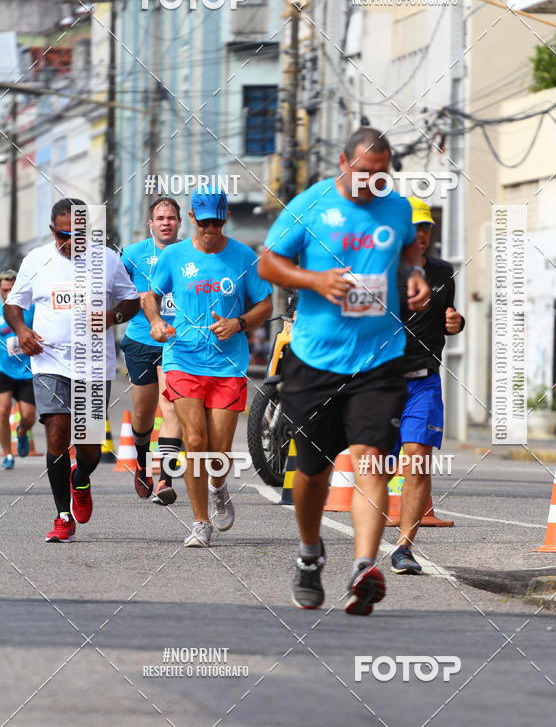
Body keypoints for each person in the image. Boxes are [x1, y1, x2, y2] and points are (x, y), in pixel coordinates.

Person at [258, 126, 430, 615]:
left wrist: (415, 274)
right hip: (315, 358)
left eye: (382, 173)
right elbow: (267, 263)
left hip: (380, 357)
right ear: (342, 162)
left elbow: (408, 249)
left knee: (371, 459)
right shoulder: (311, 205)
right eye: (364, 171)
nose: (373, 181)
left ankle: (363, 568)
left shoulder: (397, 207)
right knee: (313, 472)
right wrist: (314, 280)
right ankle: (309, 554)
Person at [144, 186, 273, 548]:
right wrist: (156, 322)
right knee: (195, 441)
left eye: (216, 222)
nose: (210, 229)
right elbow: (150, 296)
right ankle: (200, 522)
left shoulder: (243, 256)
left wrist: (239, 323)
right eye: (204, 222)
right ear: (192, 219)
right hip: (183, 358)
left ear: (226, 217)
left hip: (228, 364)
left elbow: (265, 304)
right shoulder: (174, 255)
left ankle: (218, 486)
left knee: (219, 451)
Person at [4, 199, 140, 543]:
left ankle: (81, 479)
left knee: (90, 448)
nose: (72, 242)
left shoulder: (107, 260)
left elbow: (131, 301)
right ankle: (62, 516)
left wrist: (113, 317)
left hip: (93, 365)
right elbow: (13, 304)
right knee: (56, 432)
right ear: (53, 231)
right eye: (64, 235)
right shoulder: (36, 260)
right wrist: (22, 330)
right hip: (49, 361)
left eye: (79, 235)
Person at [390, 197, 465, 574]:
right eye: (413, 227)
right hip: (381, 383)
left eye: (426, 227)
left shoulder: (443, 272)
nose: (420, 234)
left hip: (423, 382)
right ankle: (365, 543)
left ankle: (404, 548)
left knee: (417, 463)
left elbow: (447, 319)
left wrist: (457, 322)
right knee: (376, 468)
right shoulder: (381, 269)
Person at [121, 197, 184, 504]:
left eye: (171, 218)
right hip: (141, 341)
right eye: (160, 218)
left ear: (179, 222)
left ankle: (165, 480)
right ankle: (143, 463)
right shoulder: (132, 254)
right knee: (144, 413)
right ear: (151, 224)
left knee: (171, 408)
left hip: (177, 342)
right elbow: (115, 289)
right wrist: (139, 298)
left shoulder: (190, 253)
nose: (165, 223)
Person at [0, 270, 36, 468]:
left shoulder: (31, 308)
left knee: (29, 417)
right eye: (4, 290)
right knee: (2, 411)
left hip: (26, 369)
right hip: (3, 368)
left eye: (11, 290)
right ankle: (8, 455)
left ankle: (21, 432)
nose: (8, 294)